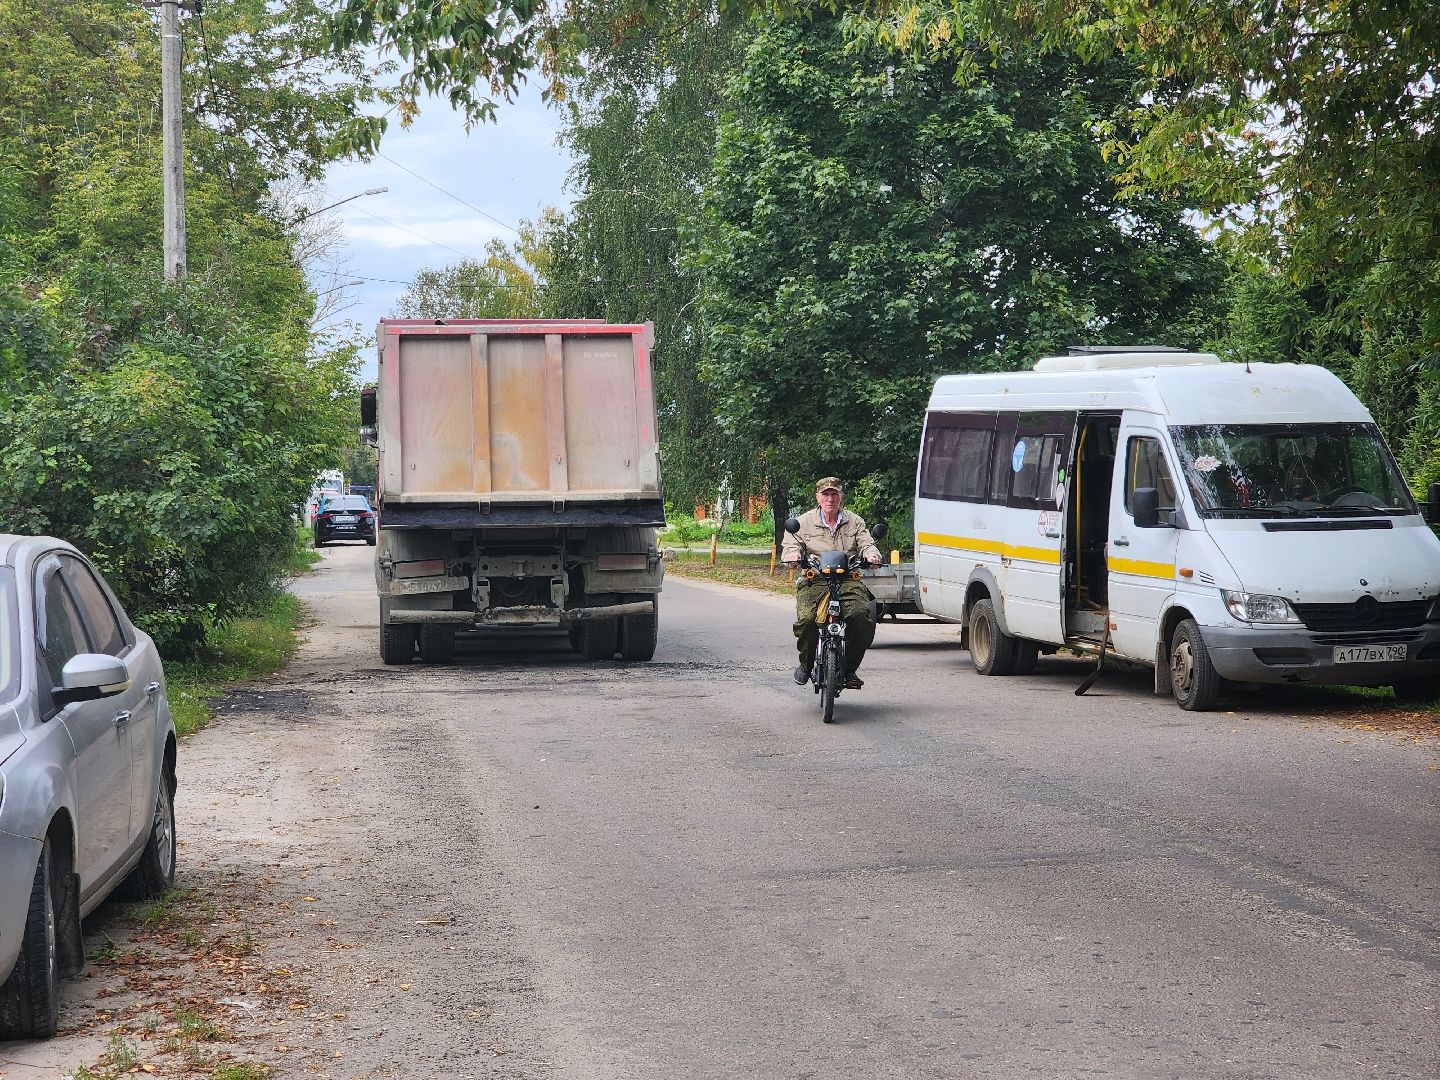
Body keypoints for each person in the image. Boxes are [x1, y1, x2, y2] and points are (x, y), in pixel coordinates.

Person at [782, 477, 883, 689]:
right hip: (815, 579)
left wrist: (872, 556)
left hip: (848, 579)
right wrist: (793, 556)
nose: (830, 499)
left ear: (841, 497)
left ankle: (848, 670)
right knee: (807, 621)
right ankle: (806, 665)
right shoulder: (803, 522)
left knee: (861, 617)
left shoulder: (855, 521)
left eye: (834, 494)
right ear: (818, 497)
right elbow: (791, 545)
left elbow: (867, 544)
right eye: (825, 494)